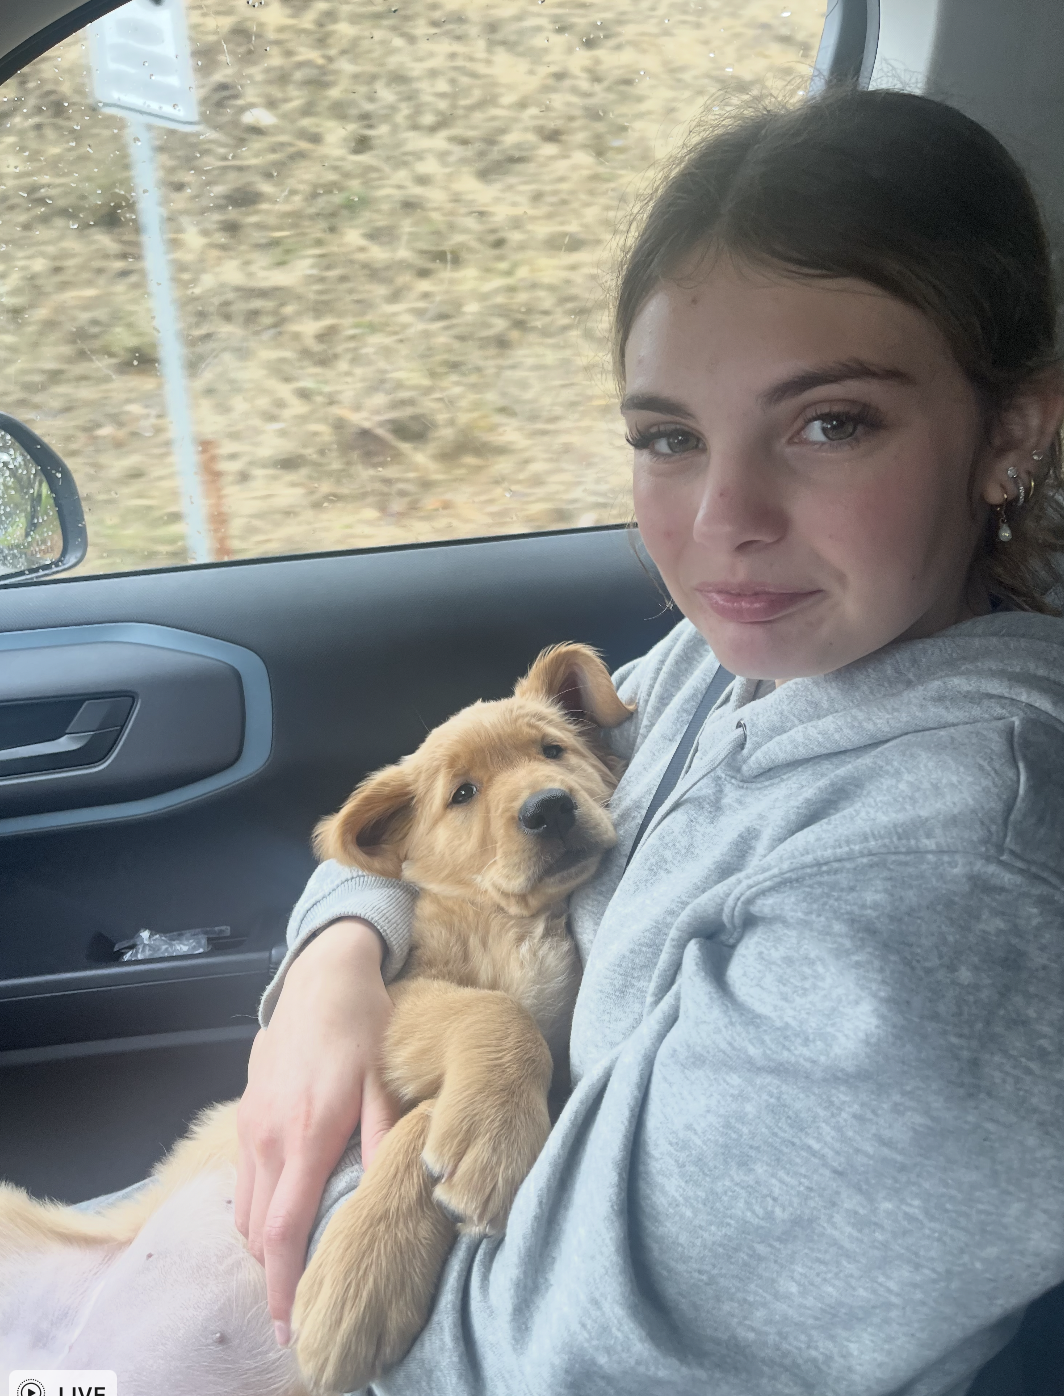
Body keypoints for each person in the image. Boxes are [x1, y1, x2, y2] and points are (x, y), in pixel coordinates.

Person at [236, 87, 1064, 1395]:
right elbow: (446, 806)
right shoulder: (723, 662)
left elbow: (539, 1366)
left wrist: (340, 1171)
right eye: (668, 438)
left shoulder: (934, 914)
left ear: (1009, 434)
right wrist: (336, 965)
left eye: (831, 422)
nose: (723, 520)